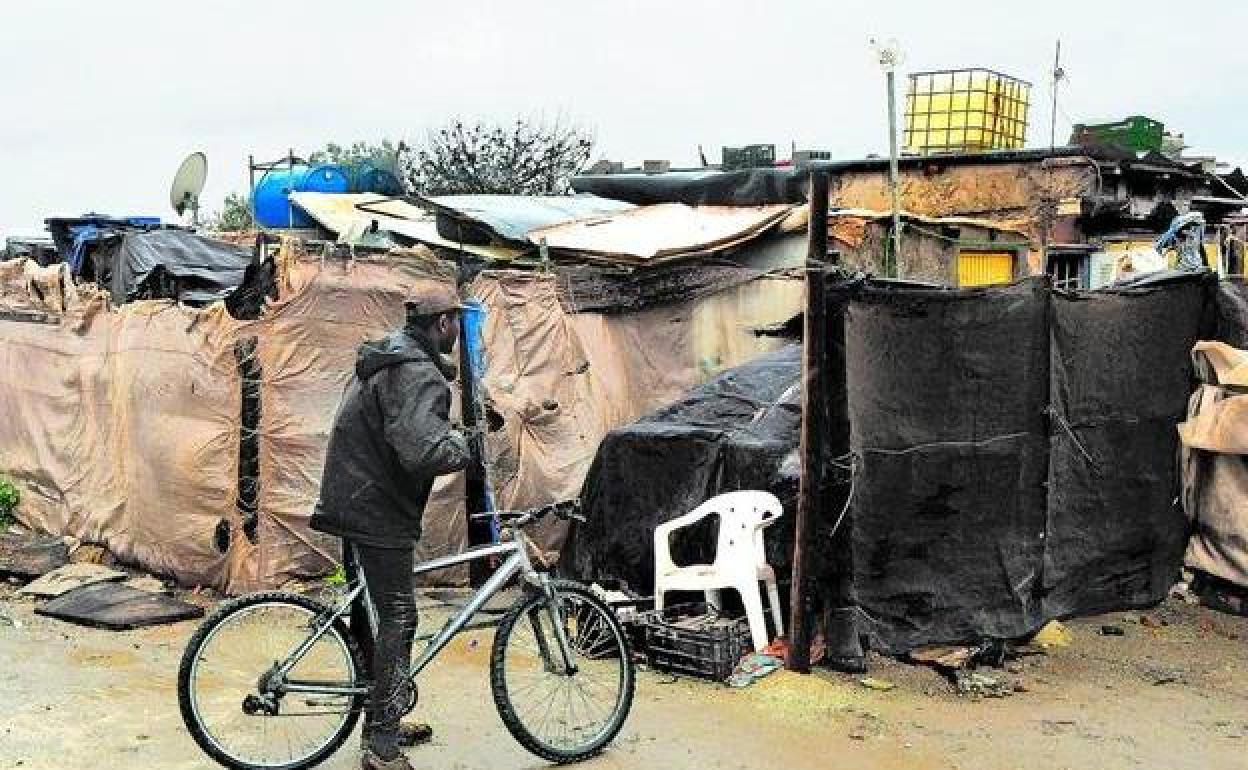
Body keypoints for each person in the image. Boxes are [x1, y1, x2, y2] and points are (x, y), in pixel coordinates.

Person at [310, 284, 470, 770]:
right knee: (400, 618)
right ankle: (381, 746)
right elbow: (422, 452)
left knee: (371, 617)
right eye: (456, 324)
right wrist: (467, 445)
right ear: (443, 323)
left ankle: (382, 714)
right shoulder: (416, 372)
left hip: (353, 499)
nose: (458, 333)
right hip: (377, 509)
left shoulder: (387, 358)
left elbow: (402, 429)